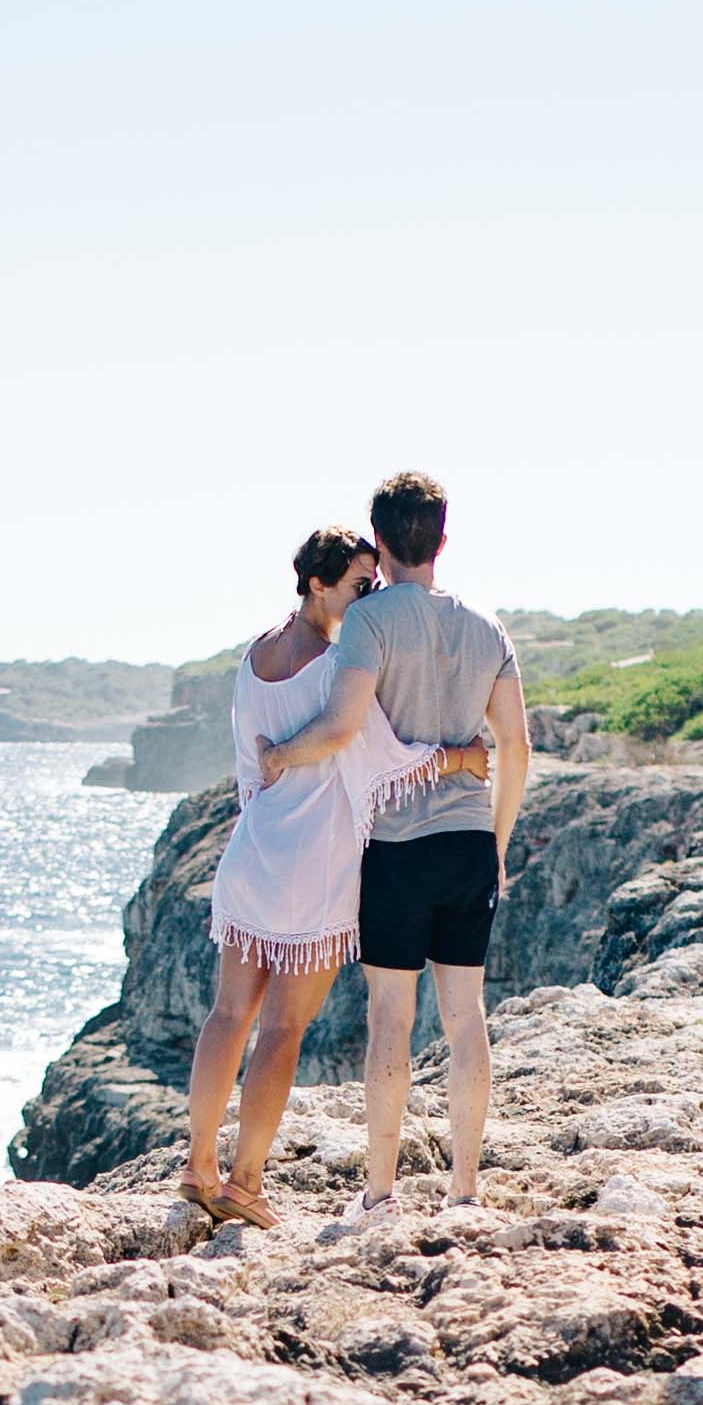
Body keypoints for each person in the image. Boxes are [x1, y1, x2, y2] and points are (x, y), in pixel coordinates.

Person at [272, 466, 530, 1209]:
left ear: (379, 543)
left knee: (390, 1017)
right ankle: (465, 1191)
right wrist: (497, 842)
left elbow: (341, 727)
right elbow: (515, 746)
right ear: (442, 539)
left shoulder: (370, 622)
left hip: (394, 848)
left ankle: (379, 1193)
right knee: (465, 1014)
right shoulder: (487, 627)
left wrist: (278, 755)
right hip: (467, 842)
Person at [180, 526, 395, 1226]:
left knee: (228, 1013)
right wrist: (458, 757)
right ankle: (244, 1182)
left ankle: (198, 1164)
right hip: (314, 867)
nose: (369, 599)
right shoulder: (339, 664)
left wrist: (275, 792)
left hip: (252, 853)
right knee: (282, 1030)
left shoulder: (253, 656)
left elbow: (251, 764)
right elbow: (381, 751)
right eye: (361, 586)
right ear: (316, 584)